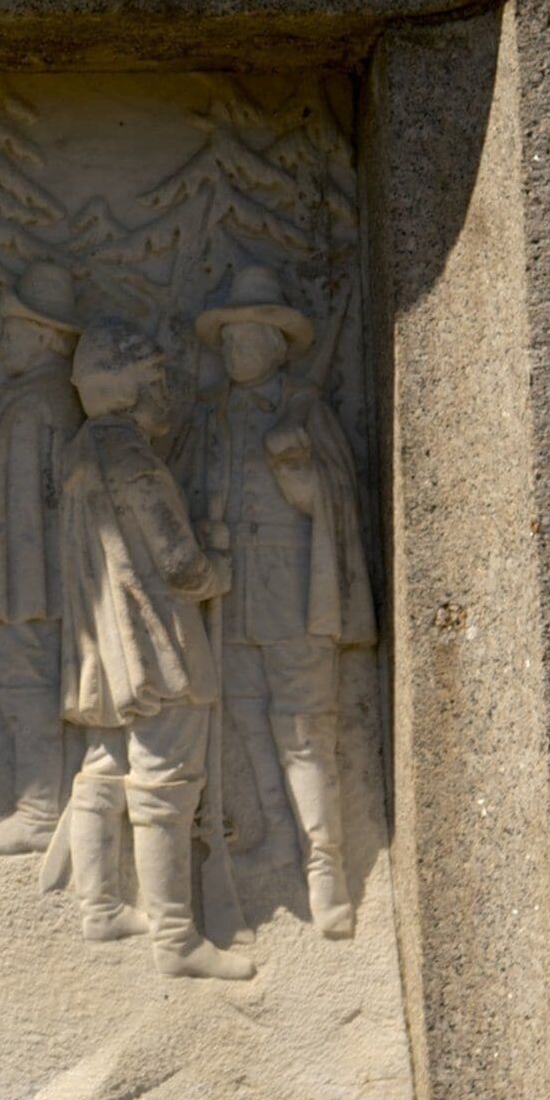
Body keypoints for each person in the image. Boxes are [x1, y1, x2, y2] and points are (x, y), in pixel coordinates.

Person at [54, 317, 256, 981]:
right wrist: (218, 566)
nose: (165, 389)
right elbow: (181, 567)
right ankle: (175, 939)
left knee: (104, 766)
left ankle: (100, 908)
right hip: (155, 643)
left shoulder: (81, 454)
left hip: (101, 646)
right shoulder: (137, 463)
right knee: (166, 780)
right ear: (132, 385)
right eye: (156, 377)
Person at [187, 267, 376, 938]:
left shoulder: (305, 411)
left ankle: (326, 864)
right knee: (243, 716)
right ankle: (272, 834)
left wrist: (296, 472)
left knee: (303, 730)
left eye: (248, 339)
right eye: (229, 341)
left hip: (295, 591)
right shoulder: (211, 417)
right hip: (231, 591)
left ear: (274, 345)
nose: (236, 351)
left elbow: (336, 502)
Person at [0, 262, 83, 856]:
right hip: (18, 577)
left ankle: (39, 810)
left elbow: (31, 510)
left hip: (24, 582)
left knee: (26, 688)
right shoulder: (36, 399)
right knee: (28, 687)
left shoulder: (38, 405)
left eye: (10, 330)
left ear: (42, 337)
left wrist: (16, 582)